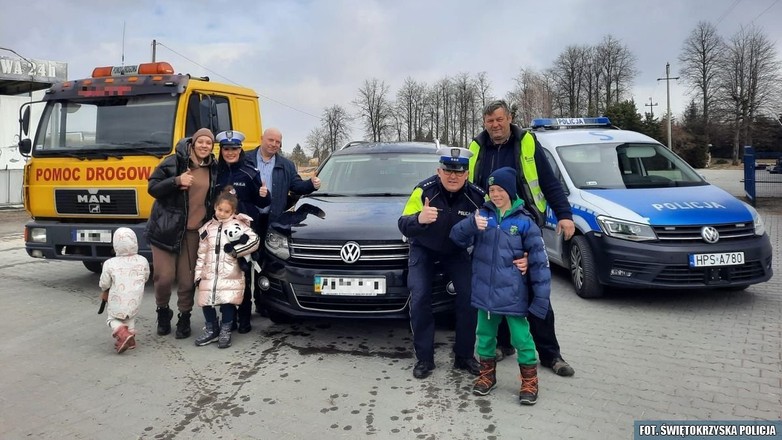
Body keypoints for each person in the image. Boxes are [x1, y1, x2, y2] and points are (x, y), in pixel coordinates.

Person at [468, 99, 575, 377]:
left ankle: (551, 354)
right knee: (496, 288)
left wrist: (564, 214)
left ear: (510, 118)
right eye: (490, 121)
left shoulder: (526, 142)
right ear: (484, 122)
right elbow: (468, 188)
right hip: (492, 227)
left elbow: (549, 181)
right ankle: (504, 345)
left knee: (534, 290)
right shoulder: (477, 147)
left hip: (524, 225)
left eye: (500, 120)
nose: (496, 125)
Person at [450, 167, 551, 405]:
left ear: (510, 191)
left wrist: (541, 300)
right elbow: (456, 237)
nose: (495, 194)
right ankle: (487, 376)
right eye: (492, 190)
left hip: (513, 295)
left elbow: (540, 264)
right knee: (484, 336)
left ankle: (529, 382)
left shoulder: (525, 222)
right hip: (484, 293)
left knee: (521, 339)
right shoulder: (481, 216)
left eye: (500, 190)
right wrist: (471, 225)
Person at [398, 146, 486, 379]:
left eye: (459, 171)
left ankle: (464, 356)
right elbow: (403, 223)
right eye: (448, 170)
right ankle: (425, 359)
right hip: (424, 249)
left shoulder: (477, 196)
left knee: (469, 297)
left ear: (467, 174)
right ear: (439, 171)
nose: (453, 176)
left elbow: (492, 228)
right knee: (420, 297)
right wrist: (419, 219)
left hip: (456, 251)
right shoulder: (424, 191)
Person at [145, 128, 218, 339]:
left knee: (187, 281)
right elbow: (153, 187)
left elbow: (215, 195)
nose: (204, 146)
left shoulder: (213, 168)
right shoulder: (173, 162)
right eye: (201, 142)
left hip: (194, 233)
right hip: (166, 229)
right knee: (164, 277)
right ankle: (162, 311)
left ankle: (184, 317)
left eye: (209, 143)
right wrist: (176, 181)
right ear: (193, 143)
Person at [245, 127, 320, 312]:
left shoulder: (286, 165)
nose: (274, 144)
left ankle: (262, 303)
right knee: (244, 264)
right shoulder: (245, 158)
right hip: (247, 219)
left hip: (272, 220)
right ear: (262, 138)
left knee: (265, 263)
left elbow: (296, 186)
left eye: (278, 142)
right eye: (271, 140)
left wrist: (311, 185)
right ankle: (242, 308)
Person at [214, 130, 270, 334]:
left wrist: (264, 194)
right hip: (221, 232)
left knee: (242, 275)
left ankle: (244, 317)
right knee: (223, 275)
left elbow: (263, 202)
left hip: (243, 234)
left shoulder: (249, 172)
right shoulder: (216, 173)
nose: (230, 153)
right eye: (226, 149)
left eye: (234, 149)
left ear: (240, 150)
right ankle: (228, 317)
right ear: (221, 151)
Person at [193, 186, 260, 348]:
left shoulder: (239, 225)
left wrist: (236, 251)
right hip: (209, 274)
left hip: (230, 273)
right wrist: (198, 274)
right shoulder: (207, 228)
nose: (221, 213)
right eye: (219, 209)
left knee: (227, 303)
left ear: (233, 212)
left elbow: (255, 240)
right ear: (215, 207)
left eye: (226, 211)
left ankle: (225, 329)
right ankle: (211, 329)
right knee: (206, 302)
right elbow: (201, 253)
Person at [98, 227, 151, 354]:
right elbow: (146, 276)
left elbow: (105, 282)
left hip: (117, 298)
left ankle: (122, 333)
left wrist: (104, 289)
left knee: (112, 319)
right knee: (130, 316)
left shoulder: (110, 263)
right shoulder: (142, 260)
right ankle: (130, 339)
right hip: (135, 297)